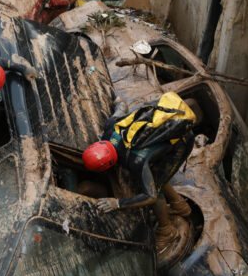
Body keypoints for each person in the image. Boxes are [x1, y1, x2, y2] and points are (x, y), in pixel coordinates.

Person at [83, 92, 197, 253]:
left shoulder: (137, 161)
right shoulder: (110, 128)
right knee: (154, 177)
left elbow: (149, 196)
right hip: (157, 140)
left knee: (155, 188)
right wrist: (118, 101)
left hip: (181, 142)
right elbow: (121, 108)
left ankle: (167, 231)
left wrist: (117, 204)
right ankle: (180, 206)